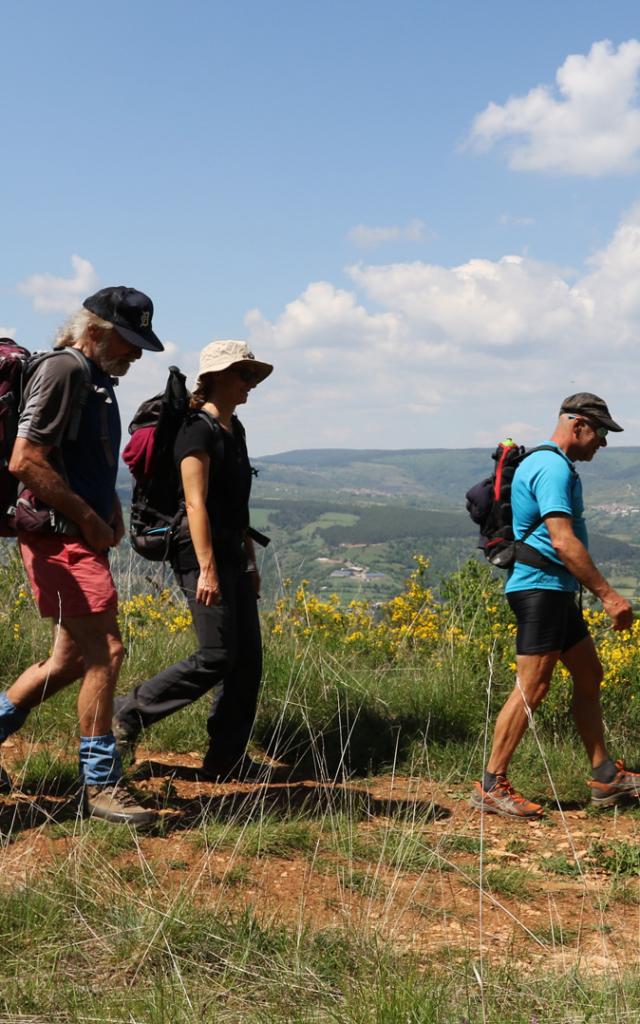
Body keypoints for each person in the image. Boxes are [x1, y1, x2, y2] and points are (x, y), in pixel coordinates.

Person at [0, 286, 164, 826]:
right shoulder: (66, 371)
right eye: (129, 340)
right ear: (94, 330)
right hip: (60, 535)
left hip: (79, 532)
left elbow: (85, 461)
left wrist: (109, 506)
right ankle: (101, 786)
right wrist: (90, 518)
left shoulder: (97, 380)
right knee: (107, 652)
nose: (136, 354)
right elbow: (26, 461)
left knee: (70, 660)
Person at [471, 393, 640, 819]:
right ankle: (492, 785)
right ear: (577, 424)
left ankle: (605, 776)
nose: (603, 442)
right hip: (540, 589)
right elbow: (562, 540)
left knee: (589, 673)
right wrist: (609, 595)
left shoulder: (554, 466)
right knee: (533, 686)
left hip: (555, 590)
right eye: (601, 432)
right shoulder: (549, 468)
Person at [113, 339, 272, 780]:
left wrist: (249, 564)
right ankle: (127, 712)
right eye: (245, 375)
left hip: (230, 551)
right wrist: (206, 568)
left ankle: (226, 759)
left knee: (247, 661)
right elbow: (196, 503)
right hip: (197, 551)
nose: (251, 384)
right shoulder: (195, 430)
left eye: (253, 376)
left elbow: (236, 509)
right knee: (217, 655)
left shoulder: (233, 430)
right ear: (218, 376)